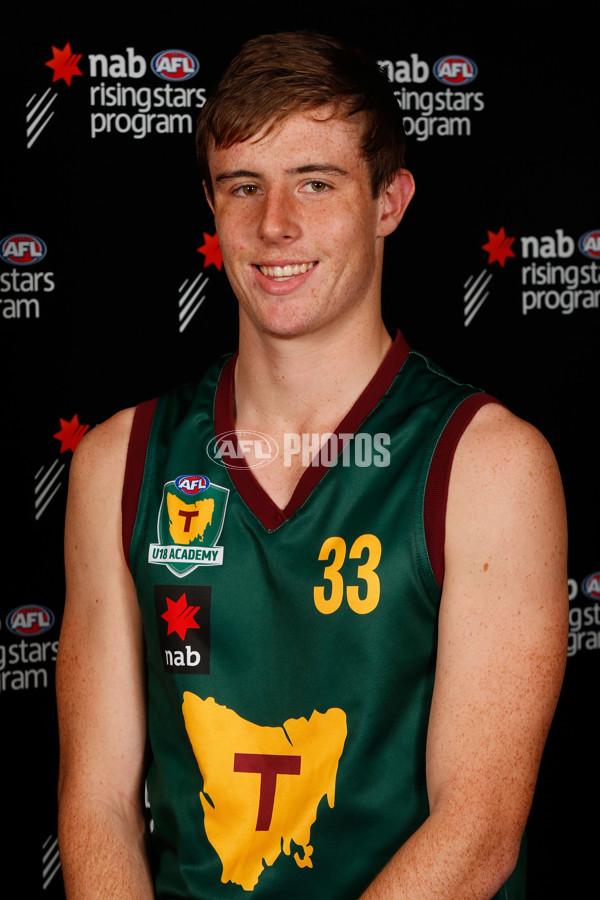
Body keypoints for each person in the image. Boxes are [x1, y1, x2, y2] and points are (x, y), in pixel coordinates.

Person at [56, 31, 568, 899]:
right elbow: (97, 804)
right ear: (212, 208)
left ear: (389, 201)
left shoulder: (490, 463)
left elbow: (478, 832)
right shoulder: (121, 460)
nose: (275, 225)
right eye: (243, 187)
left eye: (316, 183)